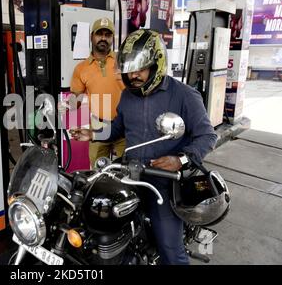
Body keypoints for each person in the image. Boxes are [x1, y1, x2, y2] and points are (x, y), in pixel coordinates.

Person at [70, 29, 218, 264]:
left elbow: (208, 136)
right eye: (129, 70)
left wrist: (180, 160)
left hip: (163, 183)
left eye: (140, 69)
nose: (134, 76)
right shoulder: (128, 96)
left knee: (171, 249)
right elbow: (118, 127)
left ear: (157, 63)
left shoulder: (184, 95)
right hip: (130, 174)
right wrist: (94, 133)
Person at [65, 17, 126, 168]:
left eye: (108, 34)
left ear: (112, 38)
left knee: (127, 170)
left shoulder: (123, 61)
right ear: (92, 36)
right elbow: (76, 98)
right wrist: (68, 106)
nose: (103, 38)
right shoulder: (82, 68)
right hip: (99, 126)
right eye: (100, 34)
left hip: (125, 124)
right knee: (98, 172)